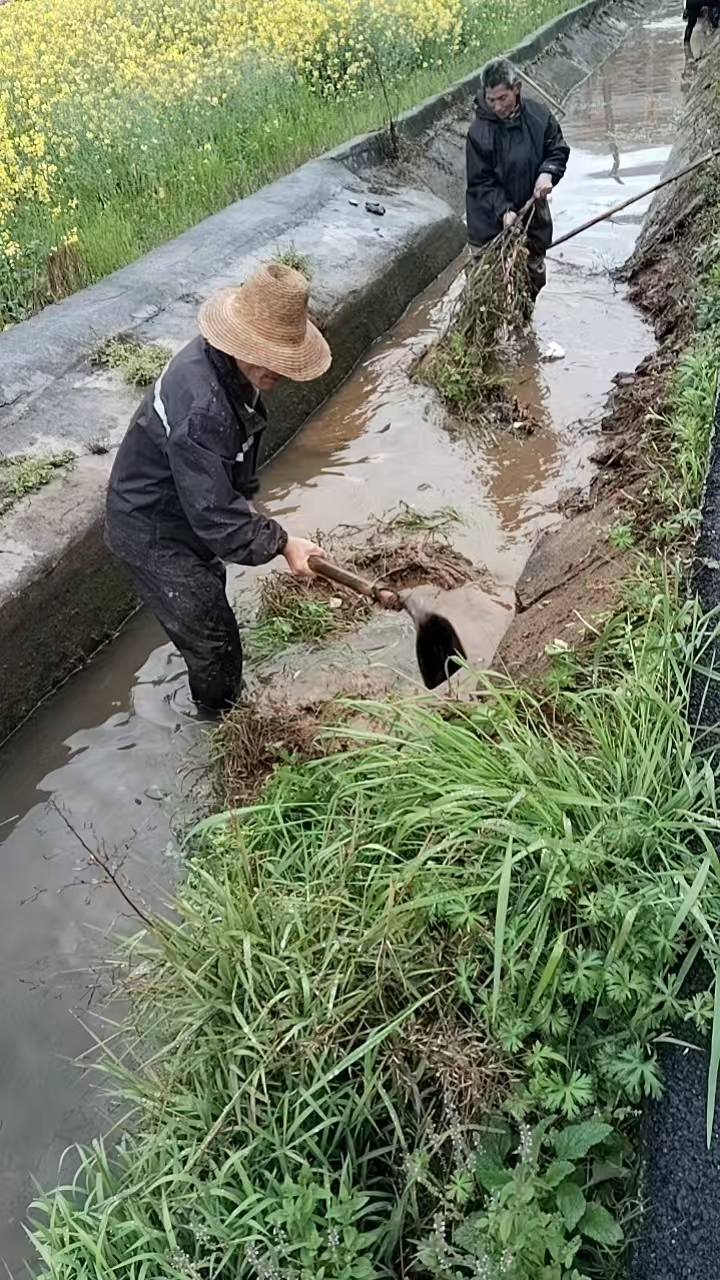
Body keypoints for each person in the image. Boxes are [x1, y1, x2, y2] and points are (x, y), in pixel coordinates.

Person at [105, 262, 331, 713]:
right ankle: (218, 727)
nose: (278, 370)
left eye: (284, 357)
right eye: (269, 355)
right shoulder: (203, 407)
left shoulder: (234, 372)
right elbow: (216, 519)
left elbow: (228, 478)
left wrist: (250, 511)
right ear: (242, 340)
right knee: (215, 644)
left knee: (208, 611)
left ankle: (215, 698)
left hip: (183, 513)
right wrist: (283, 543)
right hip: (151, 531)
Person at [466, 58, 570, 299]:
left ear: (517, 89)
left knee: (533, 278)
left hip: (532, 216)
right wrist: (504, 210)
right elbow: (480, 181)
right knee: (486, 291)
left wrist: (548, 173)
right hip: (489, 223)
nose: (497, 107)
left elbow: (557, 149)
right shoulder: (478, 133)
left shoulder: (538, 116)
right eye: (491, 100)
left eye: (503, 98)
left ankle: (523, 326)